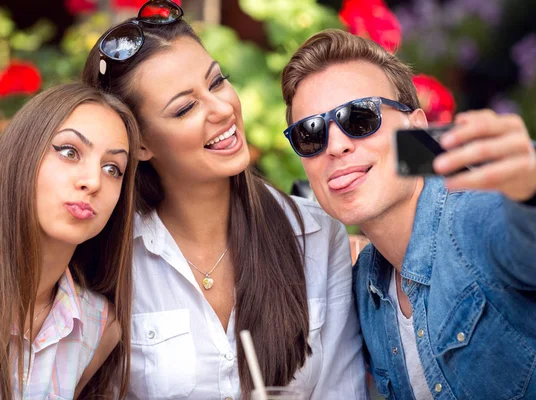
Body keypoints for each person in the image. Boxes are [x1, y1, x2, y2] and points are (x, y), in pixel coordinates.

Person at [81, 1, 368, 399]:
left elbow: (342, 390)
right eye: (184, 108)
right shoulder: (111, 258)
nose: (222, 109)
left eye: (217, 82)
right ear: (141, 143)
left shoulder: (317, 234)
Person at [281, 29, 536, 400]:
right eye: (311, 133)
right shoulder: (364, 282)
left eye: (360, 117)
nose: (335, 146)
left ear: (416, 126)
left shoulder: (475, 218)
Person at [0, 83, 139, 399]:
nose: (93, 181)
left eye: (112, 168)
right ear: (21, 154)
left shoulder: (99, 326)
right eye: (70, 152)